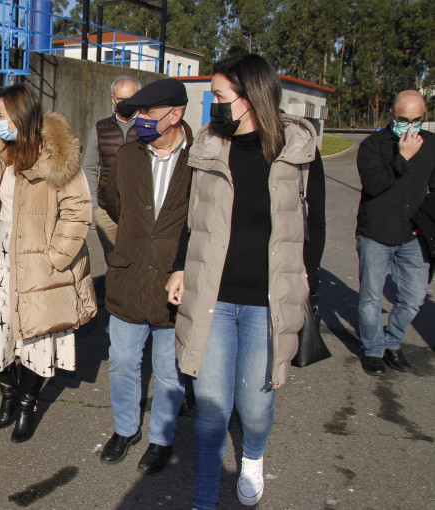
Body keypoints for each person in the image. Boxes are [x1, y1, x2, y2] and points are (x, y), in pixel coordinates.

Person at [165, 54, 325, 508]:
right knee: (212, 406)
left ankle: (252, 454)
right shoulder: (210, 146)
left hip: (267, 302)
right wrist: (179, 266)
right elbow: (188, 218)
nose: (212, 105)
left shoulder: (298, 150)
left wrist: (308, 282)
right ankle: (204, 495)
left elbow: (317, 226)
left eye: (218, 96)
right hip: (212, 295)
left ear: (250, 96)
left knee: (255, 406)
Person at [0, 83, 97, 443]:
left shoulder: (57, 157)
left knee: (38, 338)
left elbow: (78, 210)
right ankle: (7, 396)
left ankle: (27, 404)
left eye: (1, 115)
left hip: (41, 261)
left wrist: (56, 258)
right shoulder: (3, 154)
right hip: (3, 255)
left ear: (21, 116)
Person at [98, 78, 191, 473]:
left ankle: (161, 438)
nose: (141, 121)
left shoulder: (203, 158)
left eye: (149, 114)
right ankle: (125, 428)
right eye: (137, 113)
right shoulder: (129, 155)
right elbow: (111, 200)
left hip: (175, 281)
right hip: (130, 274)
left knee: (169, 370)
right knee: (122, 360)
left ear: (176, 114)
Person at [356, 90, 434, 376]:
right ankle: (373, 350)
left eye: (418, 120)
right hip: (375, 233)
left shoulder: (432, 145)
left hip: (412, 235)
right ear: (392, 115)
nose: (411, 127)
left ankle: (392, 342)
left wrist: (424, 221)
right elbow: (373, 184)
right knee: (371, 298)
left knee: (414, 297)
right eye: (404, 120)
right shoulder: (373, 145)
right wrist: (402, 157)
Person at [83, 75, 141, 262]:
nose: (126, 103)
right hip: (106, 211)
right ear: (113, 99)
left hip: (139, 211)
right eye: (121, 99)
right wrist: (95, 208)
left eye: (131, 99)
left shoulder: (148, 128)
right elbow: (90, 167)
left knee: (138, 262)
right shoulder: (101, 128)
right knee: (114, 263)